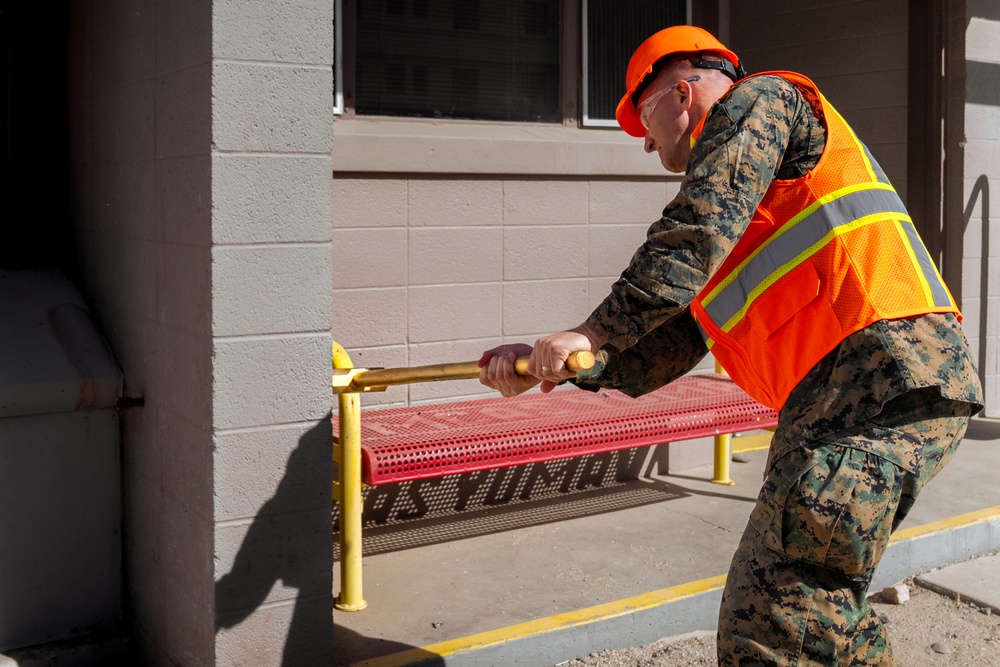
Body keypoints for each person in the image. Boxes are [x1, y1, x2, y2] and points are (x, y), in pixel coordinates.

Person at [478, 25, 983, 666]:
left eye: (642, 123)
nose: (645, 147)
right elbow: (664, 342)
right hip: (849, 398)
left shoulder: (764, 101)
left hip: (880, 376)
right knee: (806, 615)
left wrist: (592, 330)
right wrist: (557, 364)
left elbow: (694, 232)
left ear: (680, 94)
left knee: (778, 618)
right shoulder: (745, 209)